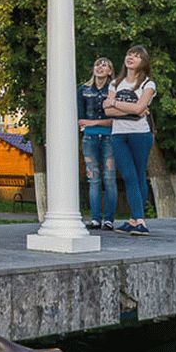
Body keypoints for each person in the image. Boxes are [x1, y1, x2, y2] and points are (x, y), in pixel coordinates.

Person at [103, 45, 156, 236]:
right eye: (129, 54)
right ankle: (136, 219)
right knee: (128, 175)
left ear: (143, 62)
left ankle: (138, 221)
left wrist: (115, 103)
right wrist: (132, 107)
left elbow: (138, 108)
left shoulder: (148, 84)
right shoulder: (115, 84)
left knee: (139, 174)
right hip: (118, 135)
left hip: (140, 134)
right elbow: (107, 112)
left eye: (136, 56)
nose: (131, 58)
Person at [77, 57, 116, 231]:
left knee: (109, 178)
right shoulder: (84, 90)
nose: (100, 67)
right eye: (97, 64)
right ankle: (95, 218)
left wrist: (92, 123)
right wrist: (92, 123)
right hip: (90, 139)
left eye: (104, 65)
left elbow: (116, 119)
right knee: (93, 178)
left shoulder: (114, 90)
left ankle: (108, 219)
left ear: (110, 71)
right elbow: (80, 118)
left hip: (109, 137)